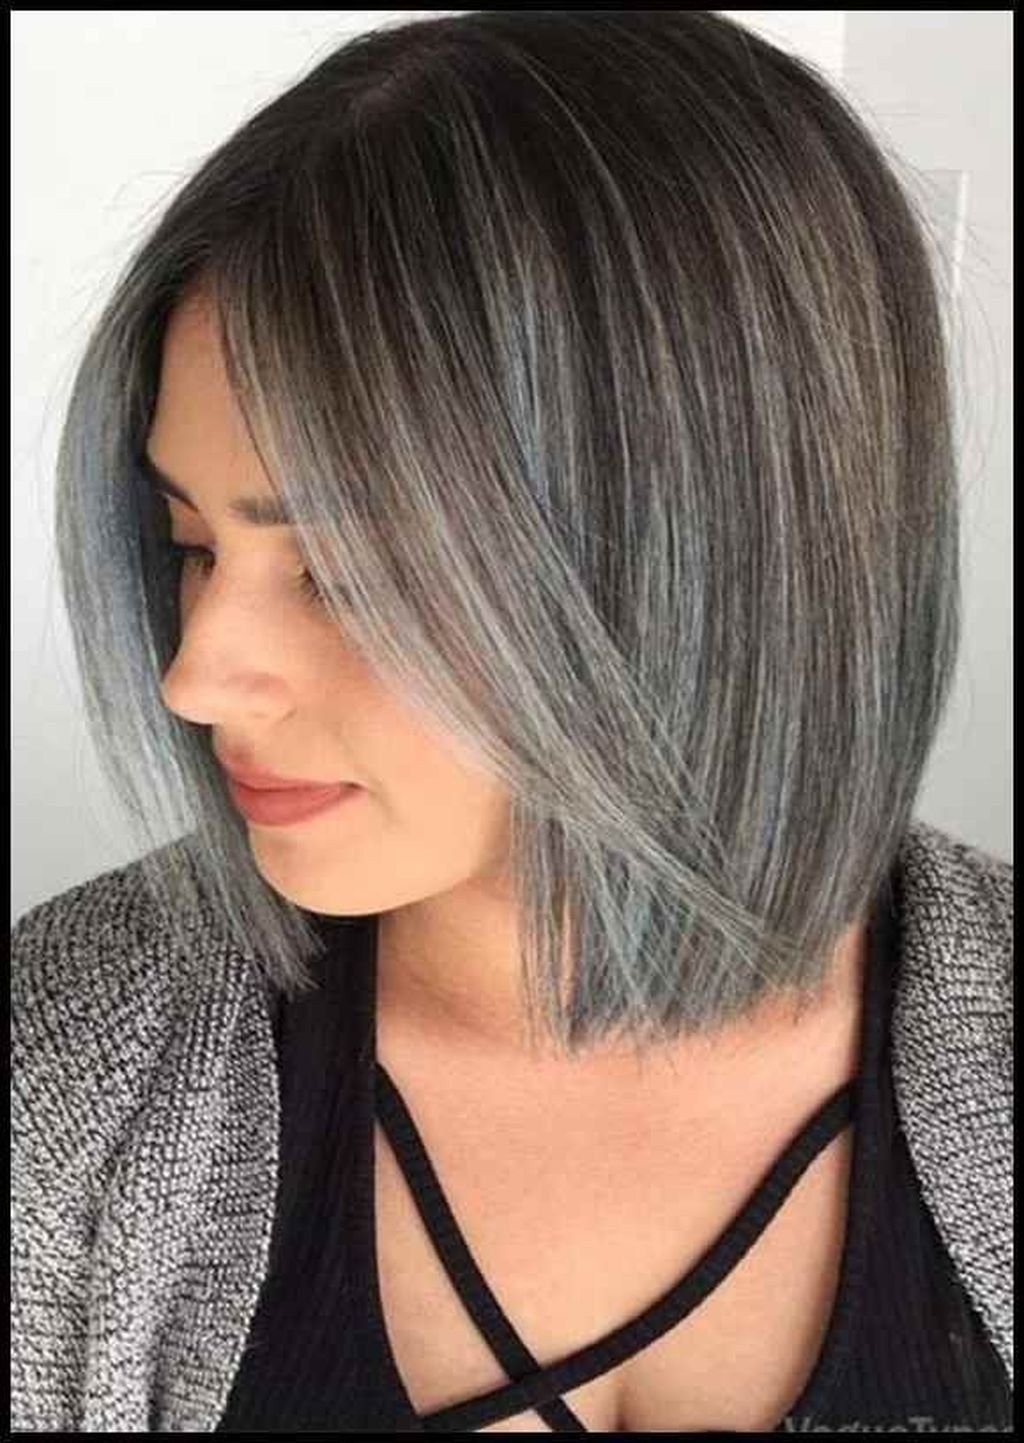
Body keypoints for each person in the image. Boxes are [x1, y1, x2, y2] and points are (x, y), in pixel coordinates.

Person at [11, 10, 1012, 1434]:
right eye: (192, 546)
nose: (196, 677)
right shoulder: (67, 1074)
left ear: (709, 559)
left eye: (350, 575)